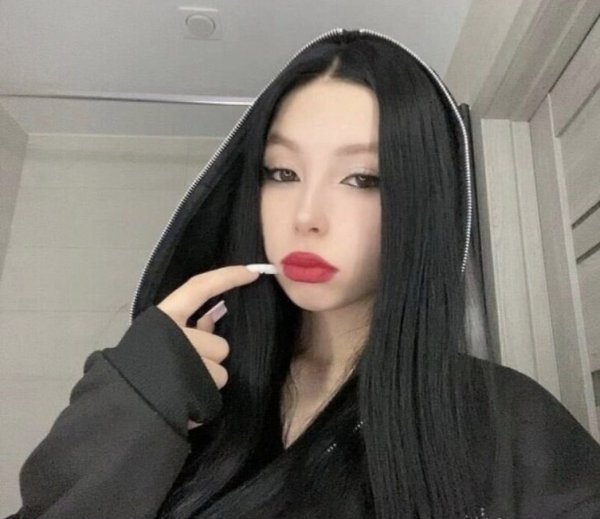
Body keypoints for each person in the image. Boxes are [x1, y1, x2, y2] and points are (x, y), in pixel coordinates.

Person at [8, 28, 600, 519]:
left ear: (424, 204)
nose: (306, 216)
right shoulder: (195, 396)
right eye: (282, 173)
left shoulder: (510, 424)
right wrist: (130, 401)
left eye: (363, 178)